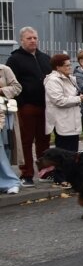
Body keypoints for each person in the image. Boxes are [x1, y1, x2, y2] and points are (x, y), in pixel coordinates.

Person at [6, 27, 51, 187]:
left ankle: (45, 171)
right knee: (26, 141)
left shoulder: (45, 58)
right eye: (29, 38)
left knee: (44, 140)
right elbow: (12, 82)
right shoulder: (15, 59)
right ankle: (26, 174)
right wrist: (21, 102)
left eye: (35, 37)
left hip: (45, 106)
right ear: (22, 40)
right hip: (27, 107)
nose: (33, 40)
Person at [43, 54, 83, 189]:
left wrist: (81, 98)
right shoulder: (52, 80)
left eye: (69, 64)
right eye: (66, 65)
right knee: (62, 151)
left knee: (72, 151)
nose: (69, 67)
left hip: (73, 117)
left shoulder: (70, 78)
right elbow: (59, 100)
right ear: (58, 67)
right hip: (61, 119)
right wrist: (78, 99)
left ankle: (71, 176)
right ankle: (59, 178)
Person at [0, 64, 22, 194]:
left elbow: (17, 88)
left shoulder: (4, 69)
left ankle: (9, 181)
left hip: (4, 114)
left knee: (5, 148)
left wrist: (2, 90)